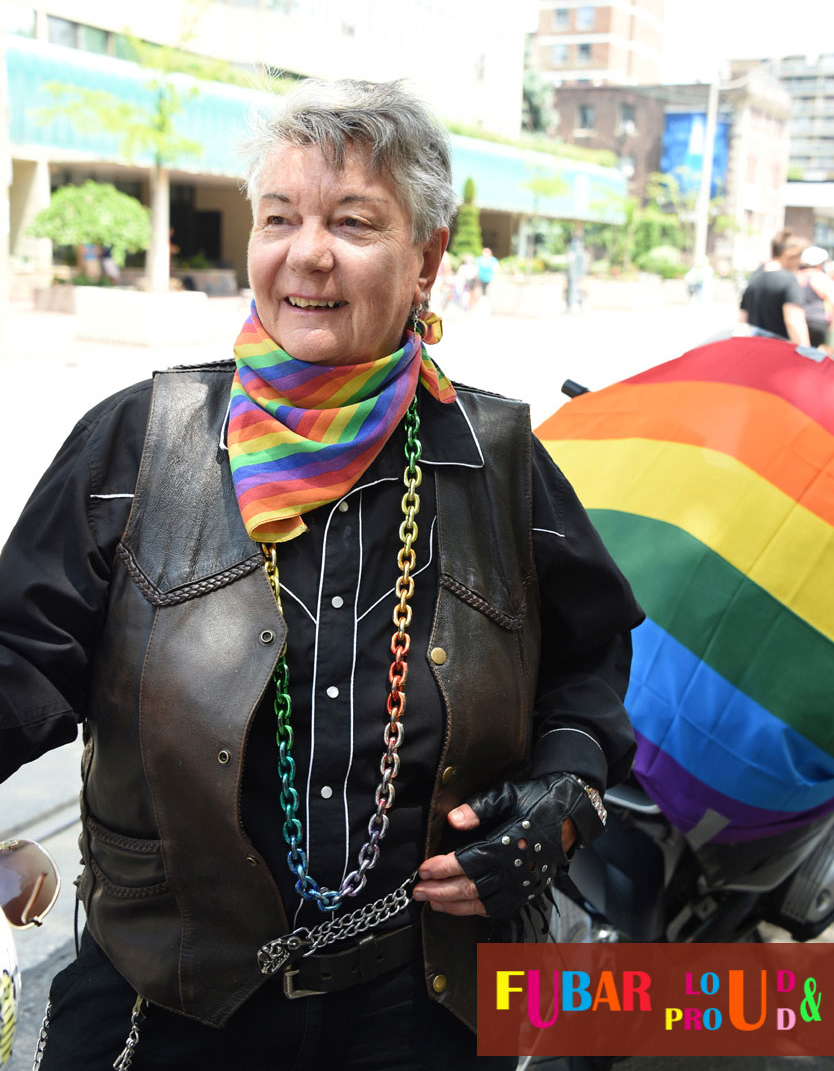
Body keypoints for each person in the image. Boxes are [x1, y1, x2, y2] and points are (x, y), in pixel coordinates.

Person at [0, 79, 643, 1070]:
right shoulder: (138, 444)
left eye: (353, 221)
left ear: (427, 256)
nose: (308, 252)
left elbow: (587, 655)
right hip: (166, 1014)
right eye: (280, 217)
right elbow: (19, 656)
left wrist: (563, 789)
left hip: (423, 1014)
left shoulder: (500, 457)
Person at [738, 229, 810, 345]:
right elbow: (794, 322)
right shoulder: (789, 280)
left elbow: (742, 320)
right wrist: (807, 353)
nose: (800, 261)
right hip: (779, 352)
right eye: (799, 256)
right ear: (789, 255)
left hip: (754, 349)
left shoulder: (755, 278)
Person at [796, 244, 834, 348]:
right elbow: (832, 300)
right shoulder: (821, 278)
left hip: (800, 319)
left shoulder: (797, 276)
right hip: (818, 322)